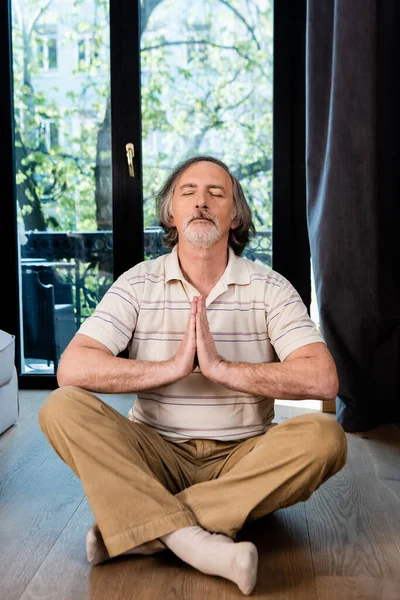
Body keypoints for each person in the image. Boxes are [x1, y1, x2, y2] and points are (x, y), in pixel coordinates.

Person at [39, 156, 347, 596]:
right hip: (154, 453)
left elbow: (322, 378)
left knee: (325, 438)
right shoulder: (136, 283)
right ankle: (195, 540)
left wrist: (221, 370)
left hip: (241, 457)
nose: (201, 202)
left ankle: (141, 526)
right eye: (189, 192)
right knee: (61, 406)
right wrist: (172, 369)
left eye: (216, 193)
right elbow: (73, 367)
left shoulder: (271, 287)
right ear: (171, 213)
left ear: (236, 214)